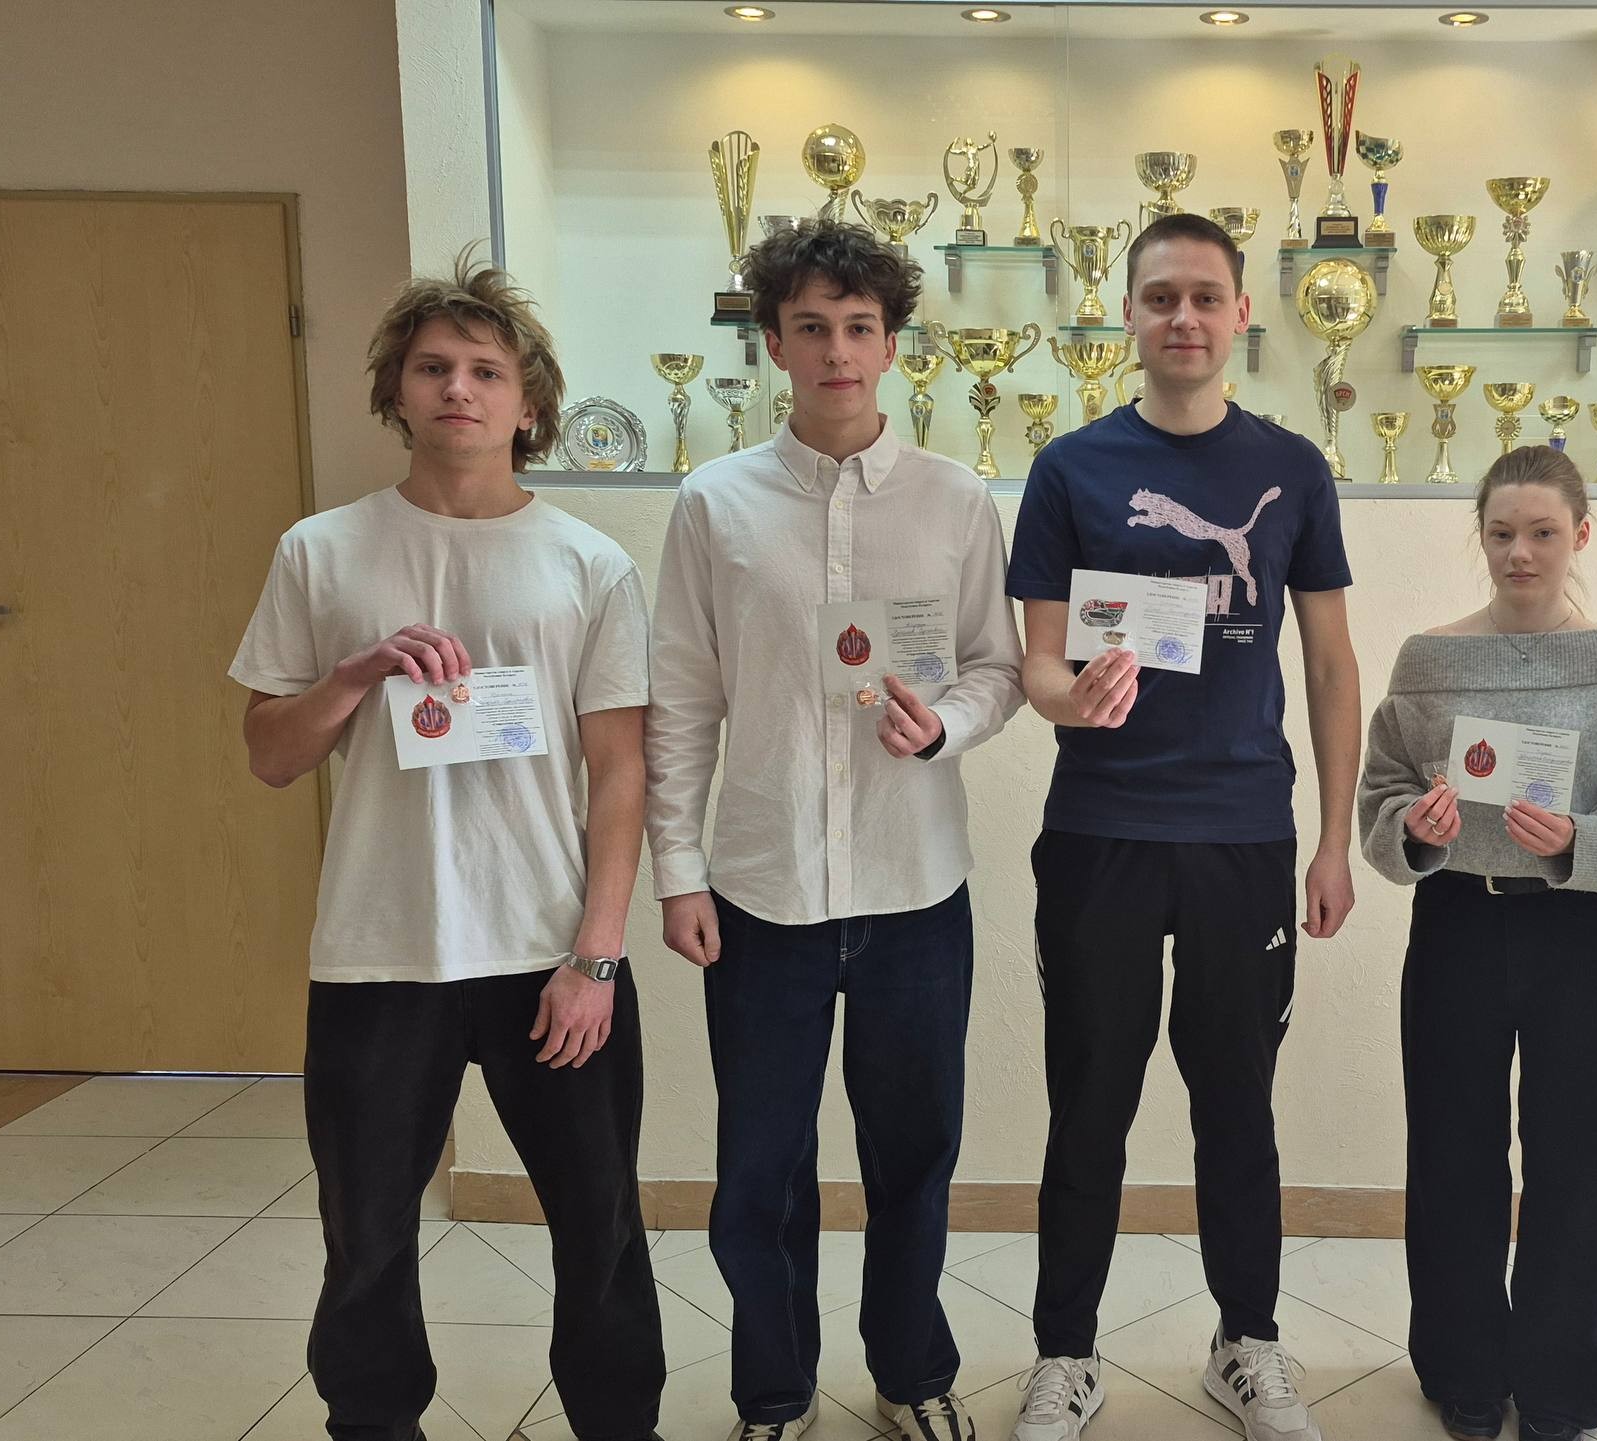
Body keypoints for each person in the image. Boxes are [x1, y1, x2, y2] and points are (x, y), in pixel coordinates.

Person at [232, 256, 665, 1441]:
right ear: (397, 391)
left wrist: (597, 956)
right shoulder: (322, 550)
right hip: (381, 954)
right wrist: (354, 675)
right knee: (366, 1234)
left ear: (529, 404)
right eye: (433, 368)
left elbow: (620, 770)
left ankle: (617, 1424)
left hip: (548, 956)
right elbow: (270, 754)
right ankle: (374, 1424)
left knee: (599, 1228)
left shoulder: (589, 563)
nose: (459, 390)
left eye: (486, 370)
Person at [646, 219, 1025, 1441]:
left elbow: (998, 667)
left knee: (913, 1159)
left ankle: (910, 1372)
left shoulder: (955, 500)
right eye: (810, 327)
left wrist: (946, 726)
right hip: (762, 894)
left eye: (859, 327)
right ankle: (774, 1389)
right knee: (760, 1172)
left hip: (915, 888)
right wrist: (678, 869)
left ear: (892, 344)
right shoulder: (714, 503)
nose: (837, 352)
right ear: (774, 343)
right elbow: (681, 698)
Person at [1003, 212, 1361, 1441]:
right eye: (1161, 297)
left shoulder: (1293, 468)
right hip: (1099, 832)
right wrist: (1069, 698)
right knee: (1089, 1103)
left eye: (1206, 296)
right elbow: (1038, 662)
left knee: (1236, 1107)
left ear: (1241, 314)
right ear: (1129, 315)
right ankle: (1065, 1353)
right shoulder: (1071, 469)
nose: (1184, 318)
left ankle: (1246, 1342)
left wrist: (1330, 841)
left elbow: (1329, 666)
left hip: (1242, 837)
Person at [1355, 447, 1597, 1441]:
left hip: (1570, 926)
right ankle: (1462, 1367)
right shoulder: (1428, 659)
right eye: (1501, 532)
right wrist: (1416, 827)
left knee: (1575, 1160)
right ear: (1481, 536)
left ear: (1580, 535)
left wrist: (1581, 840)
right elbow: (1381, 794)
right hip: (1455, 920)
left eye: (1543, 532)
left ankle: (1562, 1386)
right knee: (1452, 1154)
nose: (1520, 553)